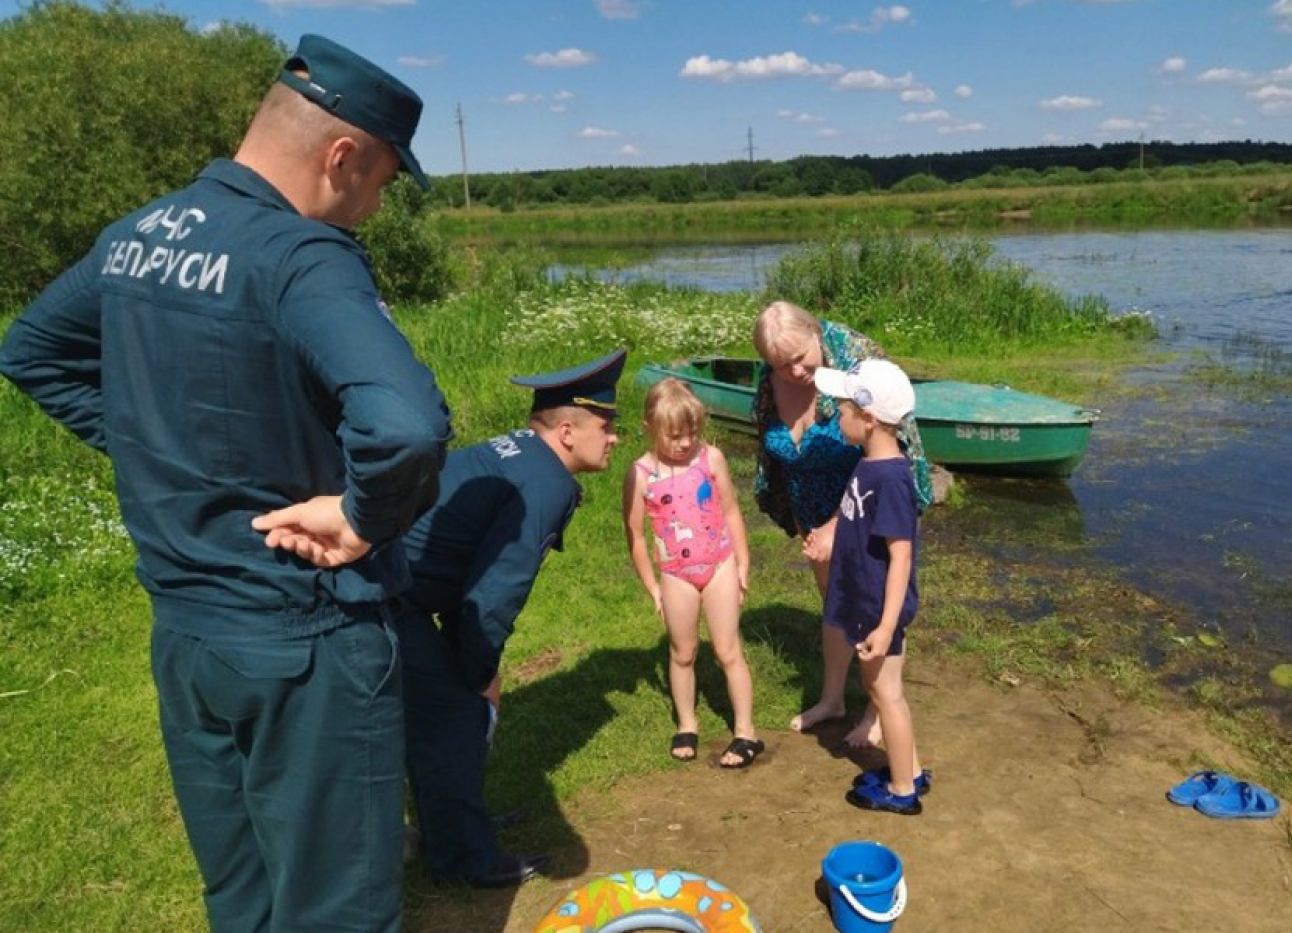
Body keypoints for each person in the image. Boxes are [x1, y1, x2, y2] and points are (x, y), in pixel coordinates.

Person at [1, 34, 452, 933]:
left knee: (241, 898)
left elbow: (32, 351)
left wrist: (145, 446)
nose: (372, 205)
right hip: (307, 636)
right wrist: (364, 515)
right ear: (342, 156)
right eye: (384, 181)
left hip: (188, 638)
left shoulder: (139, 235)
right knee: (335, 910)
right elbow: (405, 424)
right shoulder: (301, 254)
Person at [395, 349, 626, 888]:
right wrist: (478, 674)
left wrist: (463, 659)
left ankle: (453, 828)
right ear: (567, 432)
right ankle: (463, 859)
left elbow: (464, 572)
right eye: (606, 425)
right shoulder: (547, 485)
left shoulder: (520, 452)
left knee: (443, 712)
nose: (614, 436)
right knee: (454, 716)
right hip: (384, 592)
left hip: (397, 584)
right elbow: (494, 592)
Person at [751, 300, 934, 748]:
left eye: (800, 358)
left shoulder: (857, 364)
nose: (793, 372)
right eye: (780, 364)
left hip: (869, 505)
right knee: (835, 603)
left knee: (873, 608)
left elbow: (894, 446)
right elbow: (770, 443)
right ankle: (833, 698)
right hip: (811, 507)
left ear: (816, 334)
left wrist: (839, 524)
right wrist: (801, 516)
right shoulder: (768, 380)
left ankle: (878, 710)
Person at [623, 378, 762, 768]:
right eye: (675, 436)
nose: (686, 443)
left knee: (727, 649)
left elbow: (732, 511)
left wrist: (742, 562)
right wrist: (652, 587)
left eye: (693, 433)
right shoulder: (640, 475)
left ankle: (746, 731)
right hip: (676, 574)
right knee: (683, 652)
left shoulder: (710, 459)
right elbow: (634, 534)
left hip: (719, 565)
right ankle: (687, 723)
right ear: (650, 428)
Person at [810, 359, 928, 816]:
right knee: (880, 690)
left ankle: (902, 790)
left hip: (881, 608)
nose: (836, 416)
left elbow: (901, 557)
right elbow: (853, 521)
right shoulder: (868, 465)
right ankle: (911, 770)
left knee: (887, 695)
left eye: (842, 409)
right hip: (863, 600)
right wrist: (827, 537)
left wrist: (886, 624)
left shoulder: (892, 479)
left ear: (869, 418)